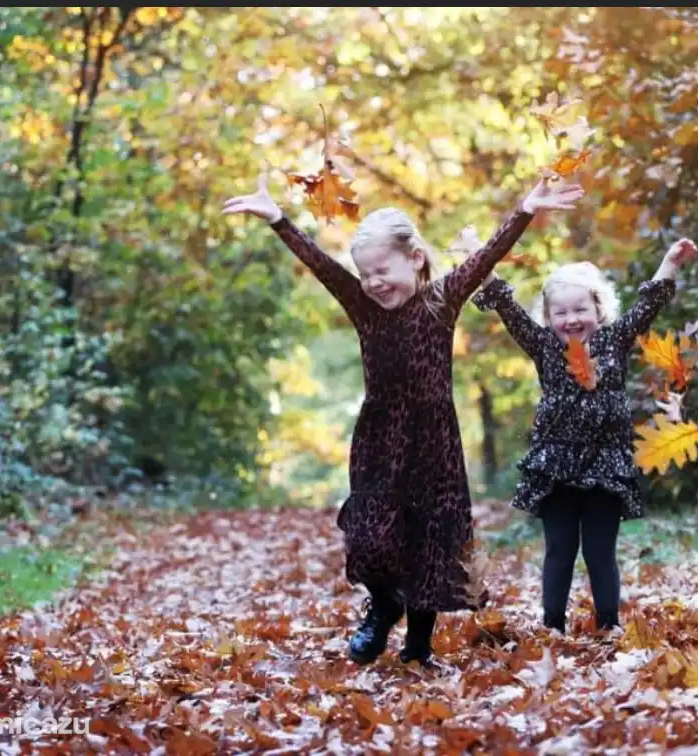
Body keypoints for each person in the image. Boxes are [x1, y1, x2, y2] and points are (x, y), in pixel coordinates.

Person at [221, 172, 583, 666]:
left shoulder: (441, 302)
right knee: (370, 534)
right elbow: (324, 268)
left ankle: (418, 647)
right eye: (366, 274)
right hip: (379, 440)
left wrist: (524, 211)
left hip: (433, 443)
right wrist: (280, 221)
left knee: (427, 540)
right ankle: (384, 601)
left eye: (381, 270)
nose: (373, 283)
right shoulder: (365, 311)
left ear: (414, 259)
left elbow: (484, 259)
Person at [470, 238, 697, 633]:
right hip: (555, 464)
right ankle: (552, 625)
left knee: (599, 551)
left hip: (606, 463)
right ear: (548, 316)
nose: (571, 319)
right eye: (560, 312)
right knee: (559, 549)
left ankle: (609, 624)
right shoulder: (542, 345)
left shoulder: (613, 340)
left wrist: (669, 263)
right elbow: (507, 306)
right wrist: (482, 258)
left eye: (580, 309)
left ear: (598, 309)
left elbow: (647, 308)